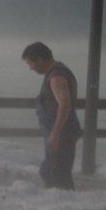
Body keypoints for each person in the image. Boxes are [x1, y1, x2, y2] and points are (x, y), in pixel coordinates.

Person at [22, 42, 82, 190]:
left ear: (40, 60)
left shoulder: (56, 77)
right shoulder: (56, 72)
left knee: (58, 176)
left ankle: (63, 206)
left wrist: (54, 134)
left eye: (31, 64)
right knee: (51, 171)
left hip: (61, 133)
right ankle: (60, 204)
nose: (31, 68)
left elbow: (65, 104)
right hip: (61, 133)